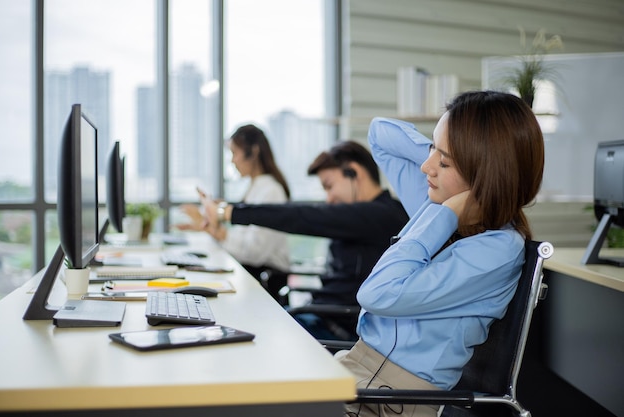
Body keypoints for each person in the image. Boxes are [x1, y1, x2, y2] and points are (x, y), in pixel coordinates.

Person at [336, 90, 545, 417]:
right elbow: (379, 133)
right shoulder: (437, 194)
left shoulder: (498, 250)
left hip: (392, 403)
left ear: (484, 175)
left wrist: (447, 210)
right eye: (433, 149)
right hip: (354, 373)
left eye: (444, 162)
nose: (425, 167)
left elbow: (377, 294)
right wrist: (447, 150)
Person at [201, 140, 410, 340]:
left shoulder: (383, 215)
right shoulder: (365, 216)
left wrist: (228, 212)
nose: (329, 199)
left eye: (329, 186)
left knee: (251, 331)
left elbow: (303, 216)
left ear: (354, 172)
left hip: (337, 327)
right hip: (320, 314)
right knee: (243, 321)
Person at [177, 124, 291, 289]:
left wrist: (219, 231)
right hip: (251, 275)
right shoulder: (255, 187)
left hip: (266, 280)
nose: (232, 160)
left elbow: (255, 253)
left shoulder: (271, 191)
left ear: (254, 151)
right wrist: (212, 227)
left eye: (234, 153)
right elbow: (243, 241)